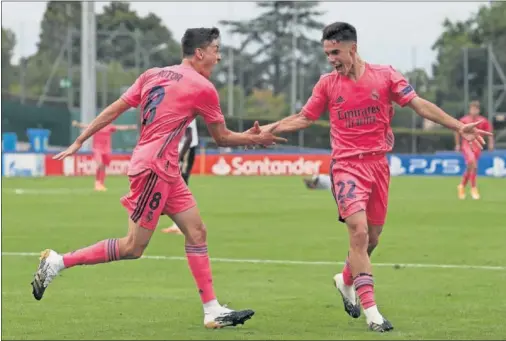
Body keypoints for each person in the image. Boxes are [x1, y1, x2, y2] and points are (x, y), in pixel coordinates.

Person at [31, 27, 286, 329]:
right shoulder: (203, 87)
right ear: (200, 52)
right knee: (132, 248)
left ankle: (212, 310)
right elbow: (222, 138)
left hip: (164, 169)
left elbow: (116, 108)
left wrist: (80, 139)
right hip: (153, 169)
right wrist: (255, 140)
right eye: (216, 49)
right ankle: (58, 262)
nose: (219, 57)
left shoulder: (154, 74)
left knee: (197, 232)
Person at [250, 22, 492, 332]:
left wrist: (458, 126)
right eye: (327, 53)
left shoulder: (386, 75)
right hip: (346, 166)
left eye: (335, 52)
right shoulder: (327, 84)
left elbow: (419, 105)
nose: (331, 59)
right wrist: (265, 131)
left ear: (353, 47)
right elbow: (304, 117)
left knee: (372, 239)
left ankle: (345, 279)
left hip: (378, 166)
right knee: (359, 232)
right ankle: (373, 312)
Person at [72, 120, 137, 191]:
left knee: (103, 166)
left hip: (106, 150)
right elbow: (86, 126)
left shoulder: (109, 127)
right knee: (99, 164)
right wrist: (77, 124)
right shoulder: (96, 127)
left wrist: (131, 127)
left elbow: (120, 127)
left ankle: (101, 184)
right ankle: (97, 183)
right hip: (97, 149)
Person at [162, 119, 199, 235]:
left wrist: (179, 157)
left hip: (185, 151)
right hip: (177, 150)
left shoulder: (188, 111)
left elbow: (189, 137)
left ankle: (183, 224)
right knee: (176, 186)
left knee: (182, 185)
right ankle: (179, 224)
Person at [455, 100, 494, 200]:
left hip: (477, 146)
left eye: (475, 109)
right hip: (467, 145)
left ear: (478, 110)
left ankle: (462, 185)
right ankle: (473, 188)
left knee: (471, 167)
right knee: (473, 163)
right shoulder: (464, 120)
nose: (474, 111)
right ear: (469, 110)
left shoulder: (483, 121)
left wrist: (490, 144)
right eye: (472, 109)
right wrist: (458, 144)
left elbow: (489, 133)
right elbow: (456, 131)